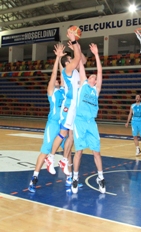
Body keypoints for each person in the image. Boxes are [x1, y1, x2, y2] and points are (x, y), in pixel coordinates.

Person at [28, 43, 66, 192]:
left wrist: (62, 60)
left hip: (64, 124)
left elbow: (64, 76)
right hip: (53, 124)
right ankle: (34, 177)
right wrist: (57, 59)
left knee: (67, 150)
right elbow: (54, 75)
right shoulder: (51, 91)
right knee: (45, 151)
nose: (57, 80)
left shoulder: (63, 90)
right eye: (56, 81)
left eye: (58, 81)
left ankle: (69, 178)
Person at [44, 28, 81, 181]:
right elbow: (78, 58)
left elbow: (78, 59)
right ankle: (50, 157)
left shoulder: (69, 70)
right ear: (68, 62)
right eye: (70, 59)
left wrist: (60, 56)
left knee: (71, 135)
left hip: (74, 106)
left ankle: (64, 160)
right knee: (64, 133)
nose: (73, 60)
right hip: (69, 105)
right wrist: (74, 40)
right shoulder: (69, 68)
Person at [71, 43, 106, 194]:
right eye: (92, 76)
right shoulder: (83, 84)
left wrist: (97, 54)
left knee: (96, 152)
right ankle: (75, 177)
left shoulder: (96, 90)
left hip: (91, 123)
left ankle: (101, 177)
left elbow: (100, 70)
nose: (93, 76)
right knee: (79, 152)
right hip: (79, 121)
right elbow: (79, 62)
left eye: (94, 76)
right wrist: (75, 47)